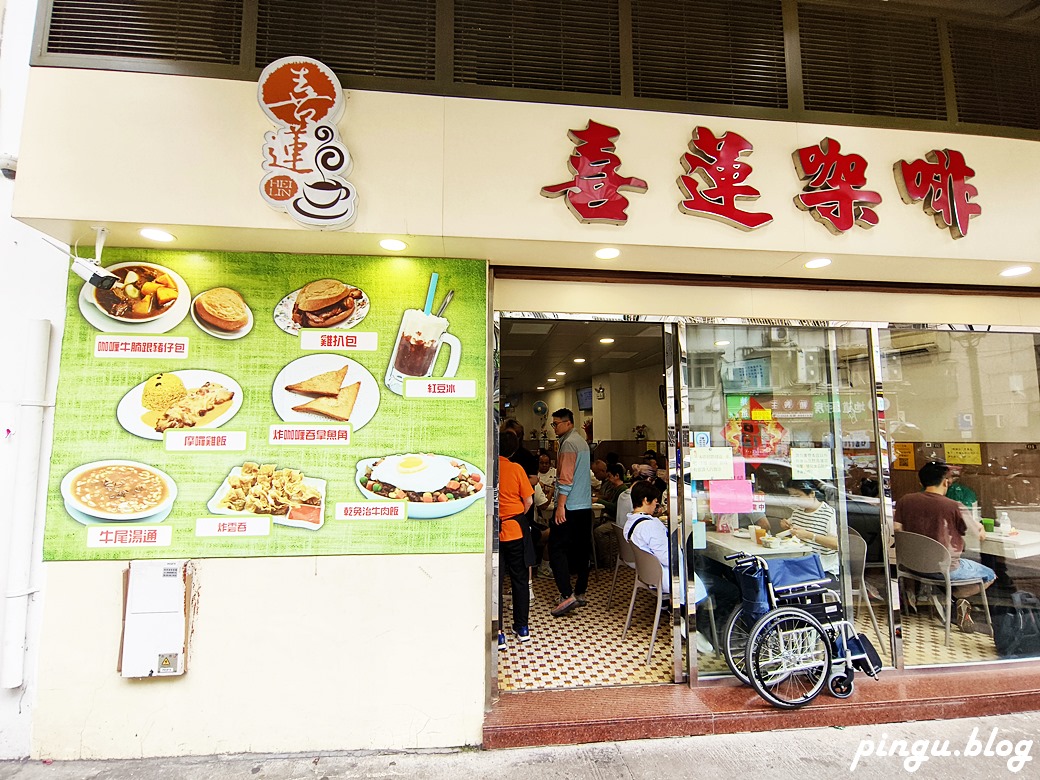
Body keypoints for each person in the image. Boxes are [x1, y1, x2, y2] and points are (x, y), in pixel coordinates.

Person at [894, 460, 995, 634]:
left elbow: (897, 529)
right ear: (946, 482)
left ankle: (946, 598)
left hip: (911, 567)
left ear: (921, 482)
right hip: (946, 567)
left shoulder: (905, 501)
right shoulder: (954, 506)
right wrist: (981, 527)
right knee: (990, 574)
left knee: (946, 572)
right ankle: (954, 599)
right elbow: (977, 534)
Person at [623, 480, 713, 654]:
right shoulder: (650, 526)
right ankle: (703, 632)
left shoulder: (630, 523)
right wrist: (678, 540)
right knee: (717, 587)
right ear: (645, 500)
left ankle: (683, 617)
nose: (657, 505)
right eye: (655, 501)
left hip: (648, 575)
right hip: (665, 576)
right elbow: (668, 558)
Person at [548, 408, 592, 617]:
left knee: (556, 549)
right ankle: (580, 591)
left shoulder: (568, 444)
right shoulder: (582, 442)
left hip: (570, 507)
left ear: (567, 423)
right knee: (582, 550)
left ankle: (566, 594)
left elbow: (565, 478)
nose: (553, 427)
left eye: (555, 423)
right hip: (584, 506)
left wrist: (560, 506)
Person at [497, 430, 534, 647]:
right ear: (513, 449)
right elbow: (528, 500)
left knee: (497, 583)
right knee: (520, 580)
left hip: (494, 533)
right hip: (515, 531)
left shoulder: (490, 468)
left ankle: (499, 632)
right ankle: (522, 628)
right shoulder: (516, 469)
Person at [778, 480, 840, 578]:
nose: (795, 500)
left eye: (798, 496)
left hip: (824, 569)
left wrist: (810, 536)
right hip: (801, 564)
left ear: (812, 494)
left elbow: (837, 544)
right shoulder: (797, 512)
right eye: (792, 496)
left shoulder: (829, 514)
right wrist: (786, 526)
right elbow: (793, 535)